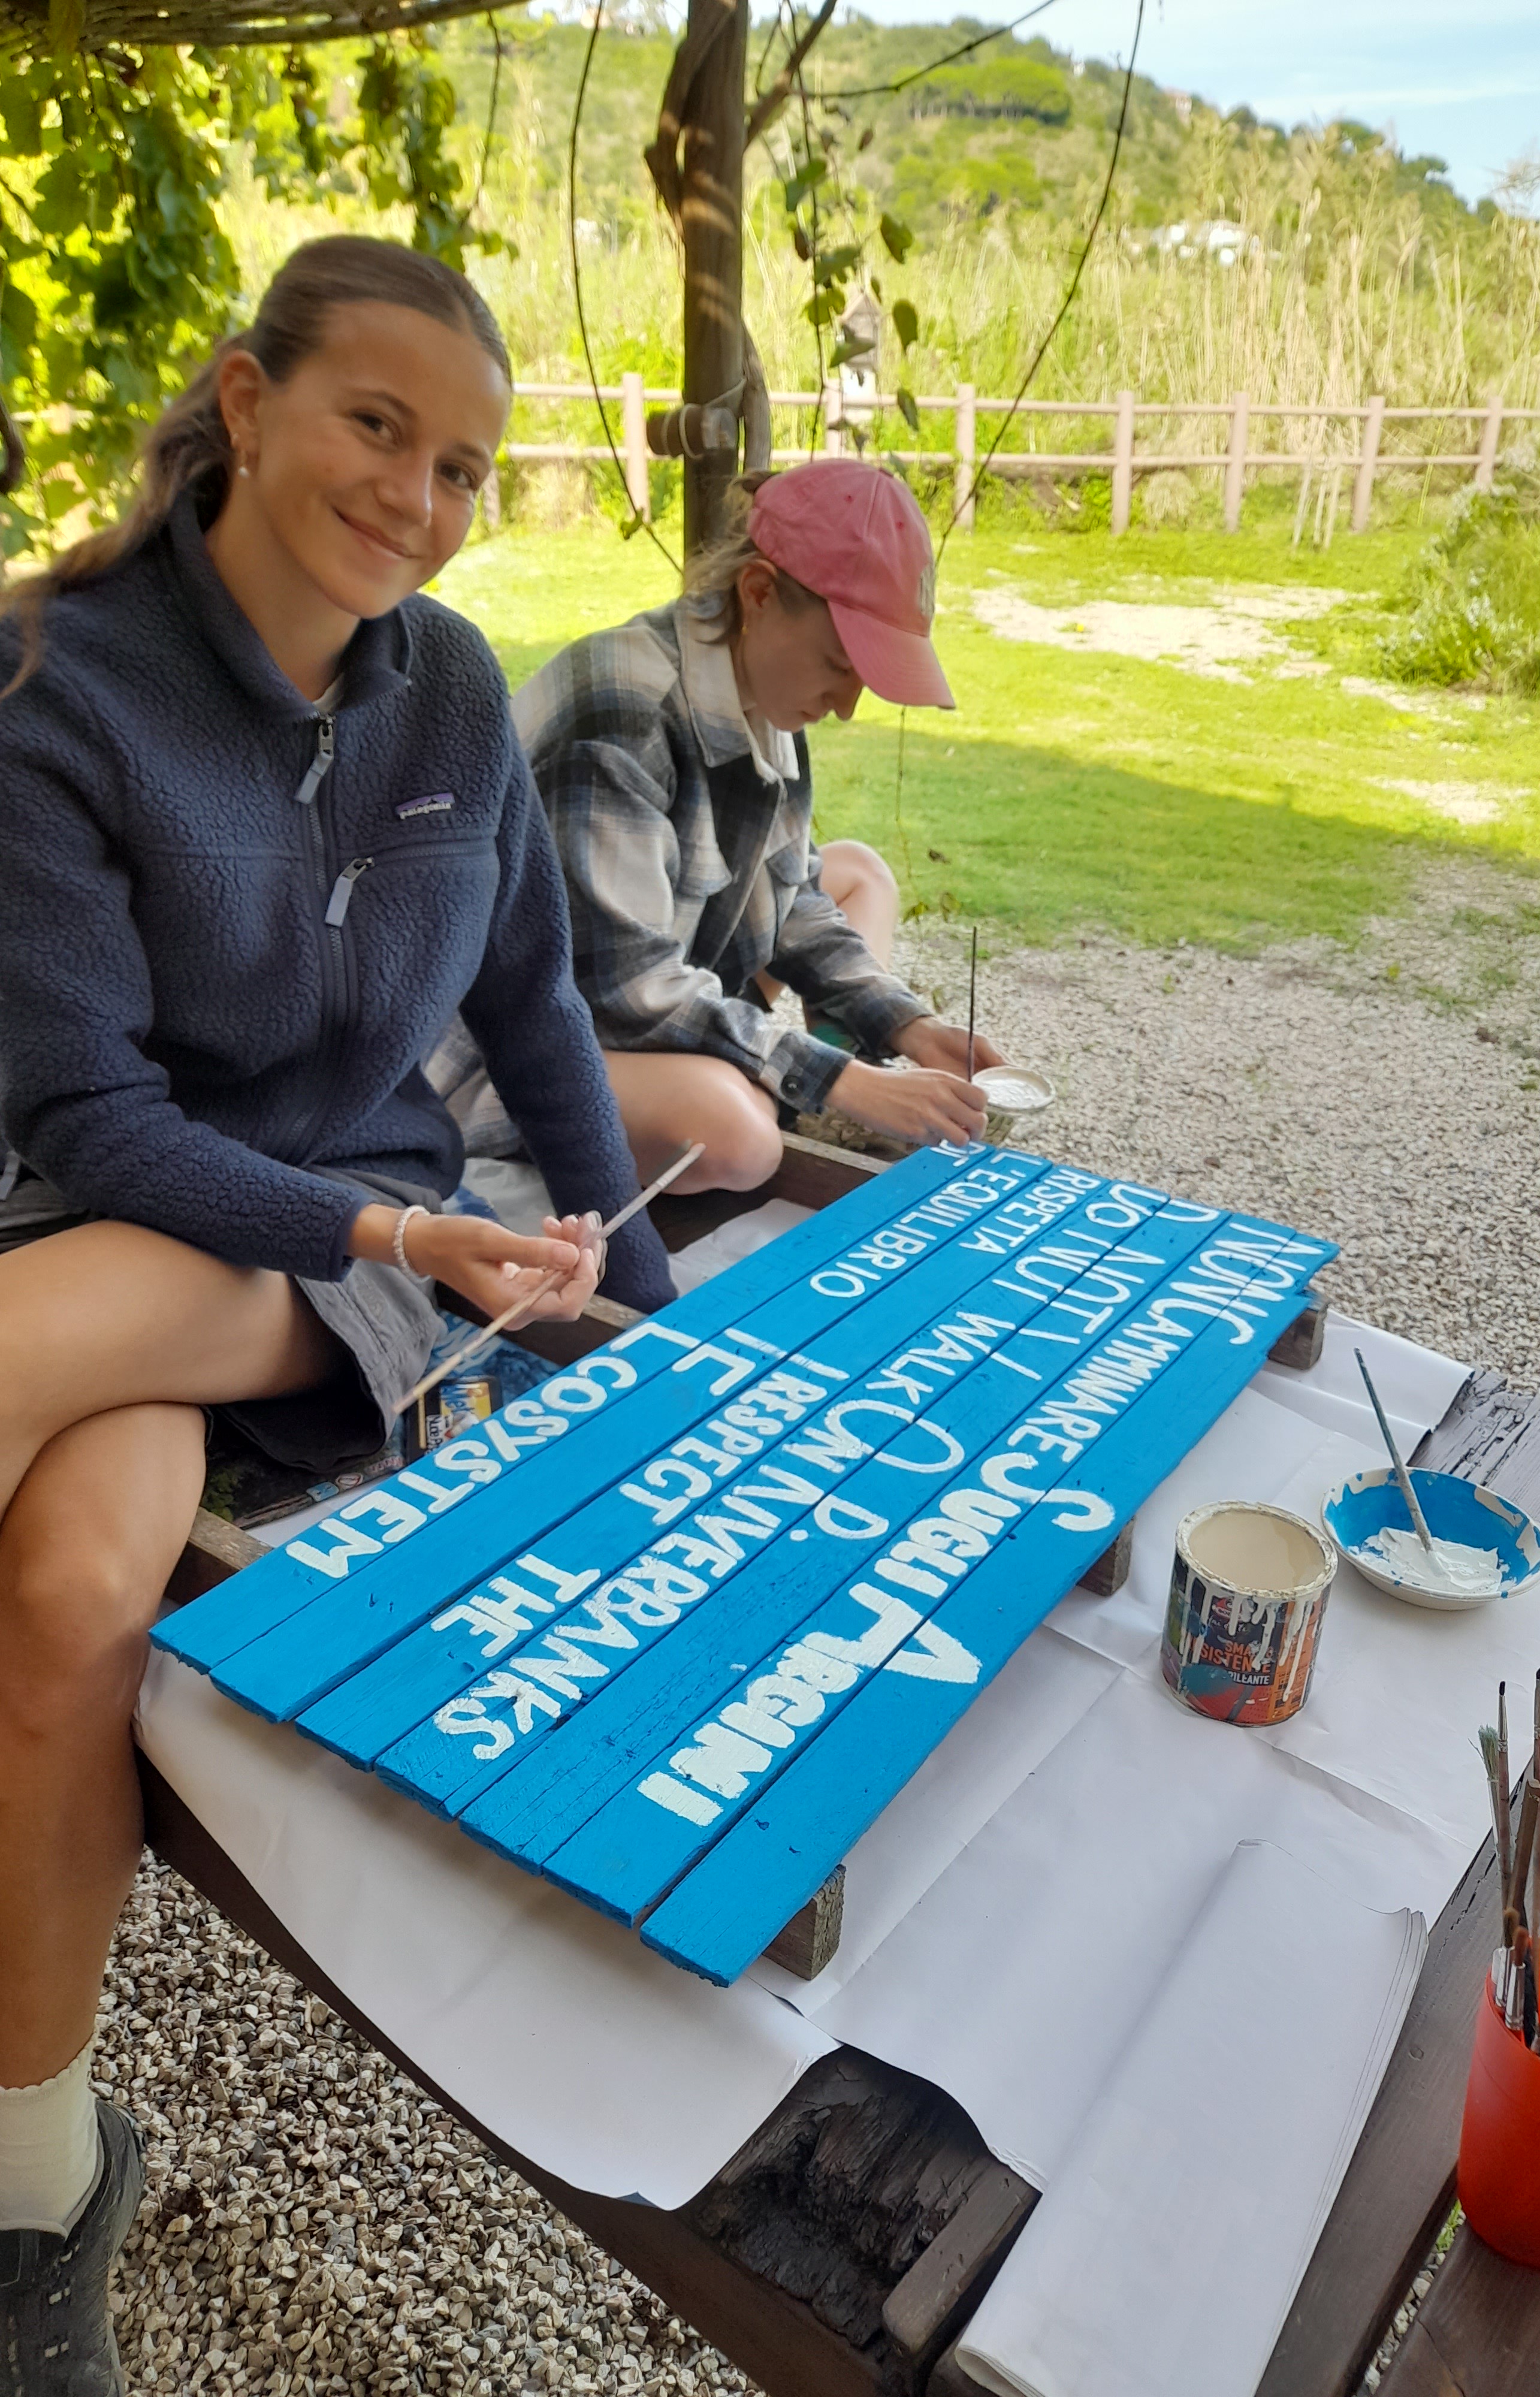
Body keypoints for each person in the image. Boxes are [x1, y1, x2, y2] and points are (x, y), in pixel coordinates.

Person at [0, 234, 674, 2390]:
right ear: (246, 399)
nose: (419, 496)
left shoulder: (453, 692)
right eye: (379, 426)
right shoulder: (57, 679)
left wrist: (651, 1306)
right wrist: (378, 1236)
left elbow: (534, 1007)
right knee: (70, 1596)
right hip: (116, 1202)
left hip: (363, 1259)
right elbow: (88, 1114)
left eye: (463, 466)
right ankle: (38, 2188)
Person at [484, 458, 1006, 1194]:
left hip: (636, 1003)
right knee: (739, 1134)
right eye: (839, 664)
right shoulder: (624, 713)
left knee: (857, 872)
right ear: (757, 592)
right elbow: (627, 995)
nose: (847, 706)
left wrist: (907, 1025)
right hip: (513, 1052)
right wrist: (840, 1081)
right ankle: (804, 1105)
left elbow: (793, 902)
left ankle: (812, 1101)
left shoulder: (761, 694)